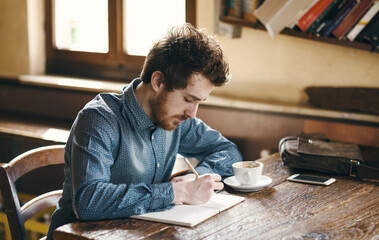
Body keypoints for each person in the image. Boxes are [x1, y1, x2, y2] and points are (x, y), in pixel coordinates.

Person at [47, 23, 242, 239]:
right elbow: (89, 201)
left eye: (199, 102)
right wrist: (177, 192)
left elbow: (228, 151)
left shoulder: (177, 119)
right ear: (158, 81)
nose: (193, 113)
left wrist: (194, 181)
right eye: (188, 99)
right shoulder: (98, 119)